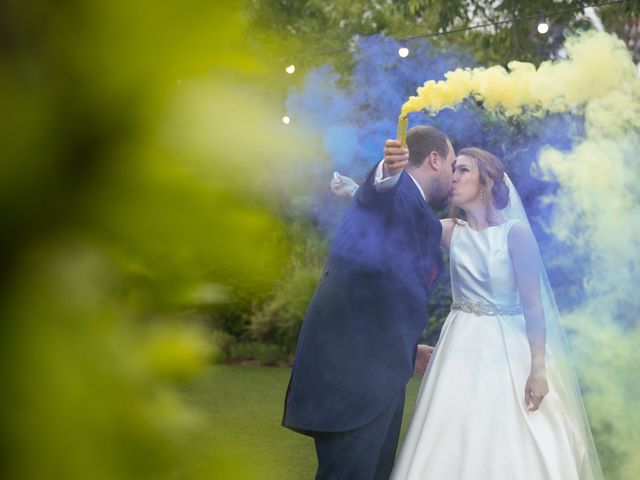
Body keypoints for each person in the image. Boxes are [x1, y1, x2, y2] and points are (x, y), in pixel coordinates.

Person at [332, 147, 604, 480]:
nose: (454, 176)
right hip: (458, 344)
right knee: (451, 431)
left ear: (485, 183)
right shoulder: (449, 230)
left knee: (514, 432)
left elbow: (534, 305)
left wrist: (538, 368)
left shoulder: (515, 234)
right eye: (454, 168)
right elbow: (400, 225)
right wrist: (359, 192)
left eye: (463, 171)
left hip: (509, 347)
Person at [282, 126, 456, 480]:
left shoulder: (417, 212)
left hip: (380, 380)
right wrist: (387, 170)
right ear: (434, 159)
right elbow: (378, 193)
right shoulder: (394, 194)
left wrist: (410, 350)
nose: (454, 176)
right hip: (351, 383)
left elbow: (389, 297)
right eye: (453, 165)